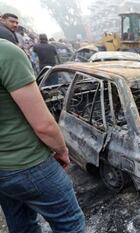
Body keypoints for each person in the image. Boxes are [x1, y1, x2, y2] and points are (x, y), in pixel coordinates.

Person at [0, 39, 85, 232]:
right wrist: (62, 150)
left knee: (21, 225)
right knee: (70, 223)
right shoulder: (6, 52)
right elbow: (44, 126)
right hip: (29, 163)